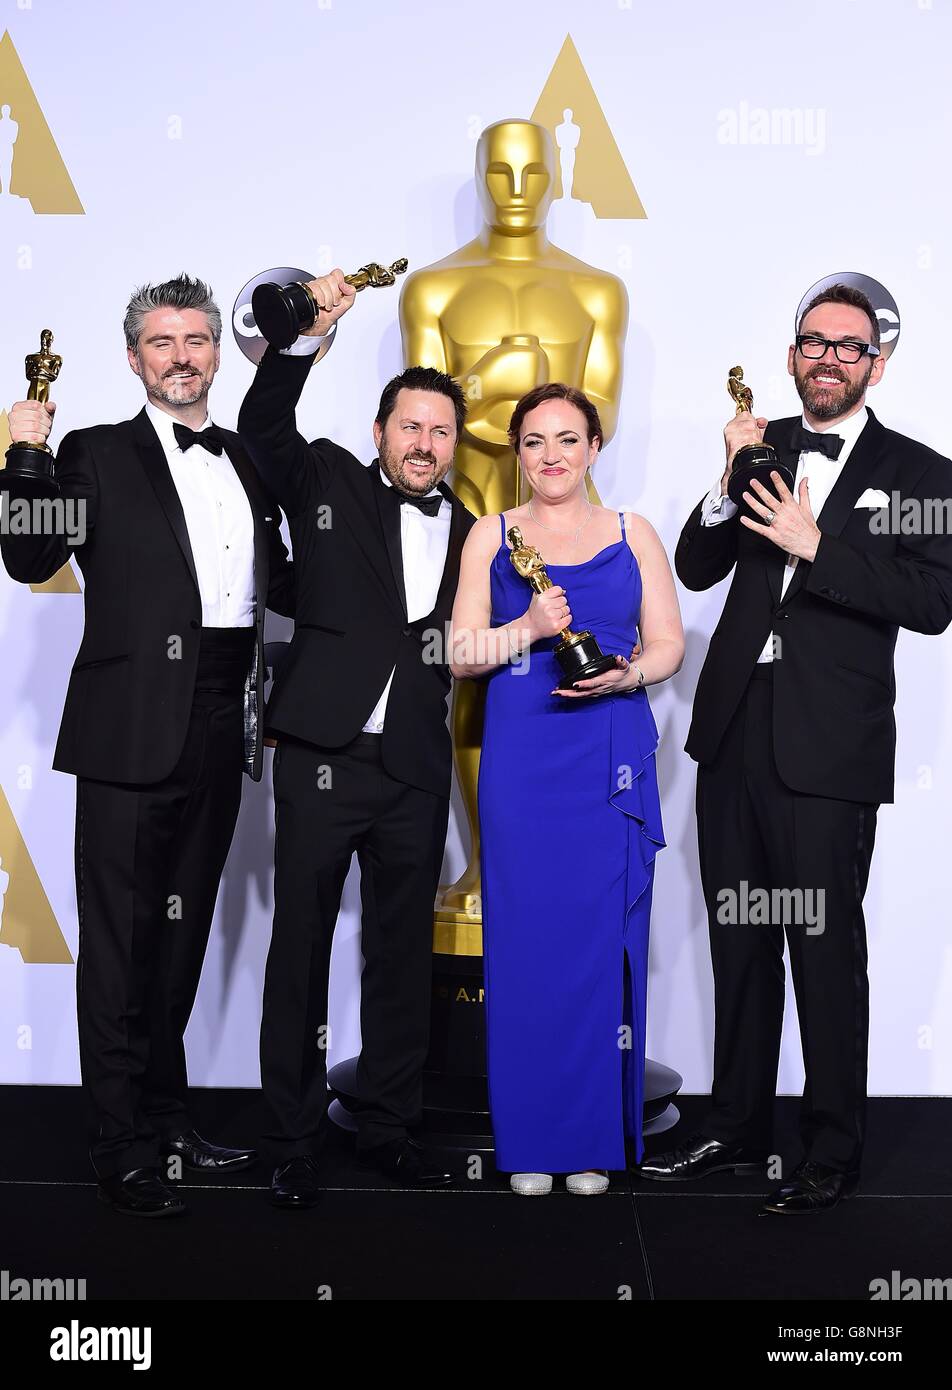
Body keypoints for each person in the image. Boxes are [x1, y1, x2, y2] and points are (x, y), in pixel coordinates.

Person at [643, 283, 952, 1214]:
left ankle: (831, 1150)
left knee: (823, 949)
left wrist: (818, 545)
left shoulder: (922, 475)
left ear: (877, 365)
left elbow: (933, 605)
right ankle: (737, 1130)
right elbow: (698, 566)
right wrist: (721, 479)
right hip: (735, 726)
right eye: (813, 343)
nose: (827, 359)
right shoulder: (763, 441)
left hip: (828, 744)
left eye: (848, 348)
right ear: (791, 355)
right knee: (739, 944)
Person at [0, 274, 295, 1217]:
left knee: (181, 935)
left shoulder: (243, 457)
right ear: (134, 359)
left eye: (197, 340)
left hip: (224, 717)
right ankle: (119, 1144)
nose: (181, 356)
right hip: (131, 726)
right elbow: (27, 555)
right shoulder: (93, 452)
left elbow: (277, 581)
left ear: (217, 352)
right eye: (162, 342)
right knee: (122, 949)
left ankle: (167, 1124)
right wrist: (23, 454)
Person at [237, 269, 476, 1209]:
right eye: (410, 426)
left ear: (456, 447)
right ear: (381, 432)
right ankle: (292, 1138)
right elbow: (262, 434)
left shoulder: (471, 530)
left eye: (440, 431)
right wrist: (300, 341)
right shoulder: (328, 474)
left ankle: (389, 1125)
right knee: (298, 946)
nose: (424, 443)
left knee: (398, 954)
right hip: (321, 755)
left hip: (415, 764)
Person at [449, 382, 684, 1195]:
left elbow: (668, 646)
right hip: (524, 755)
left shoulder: (634, 533)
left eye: (568, 440)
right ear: (517, 454)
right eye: (535, 442)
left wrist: (627, 679)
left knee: (597, 946)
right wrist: (529, 630)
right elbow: (461, 653)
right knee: (523, 947)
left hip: (608, 749)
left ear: (593, 449)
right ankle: (530, 1142)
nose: (551, 456)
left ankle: (590, 1141)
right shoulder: (490, 534)